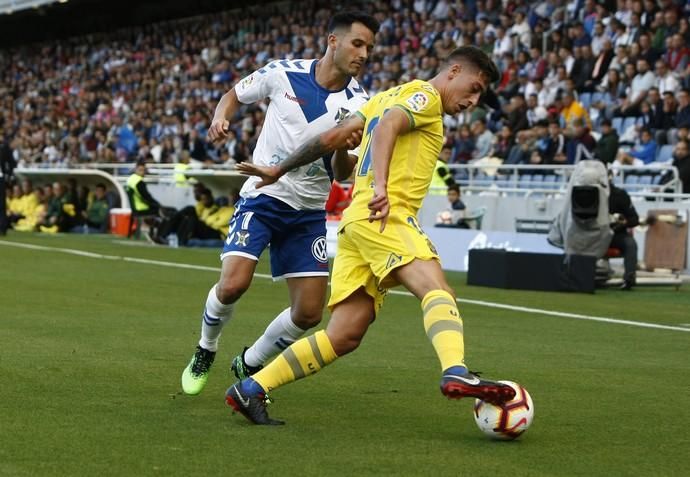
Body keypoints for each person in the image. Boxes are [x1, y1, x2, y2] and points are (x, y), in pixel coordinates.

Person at [231, 46, 516, 425]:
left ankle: (251, 388)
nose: (473, 100)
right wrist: (382, 186)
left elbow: (333, 142)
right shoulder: (425, 97)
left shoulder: (382, 97)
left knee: (345, 334)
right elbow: (388, 127)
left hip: (356, 224)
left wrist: (279, 169)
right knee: (436, 289)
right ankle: (455, 368)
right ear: (454, 71)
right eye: (474, 87)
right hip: (386, 214)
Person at [179, 11, 379, 396]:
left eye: (369, 47)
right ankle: (206, 348)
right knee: (234, 285)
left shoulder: (360, 105)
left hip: (307, 213)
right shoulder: (282, 73)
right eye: (358, 43)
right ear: (333, 41)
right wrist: (221, 118)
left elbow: (342, 173)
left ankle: (250, 361)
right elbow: (234, 95)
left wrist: (343, 150)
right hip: (263, 197)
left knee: (308, 313)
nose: (364, 54)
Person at [608, 174, 640, 290]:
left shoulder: (620, 195)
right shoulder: (587, 194)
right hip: (592, 233)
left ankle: (629, 278)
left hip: (615, 234)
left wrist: (623, 222)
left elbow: (634, 219)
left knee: (630, 244)